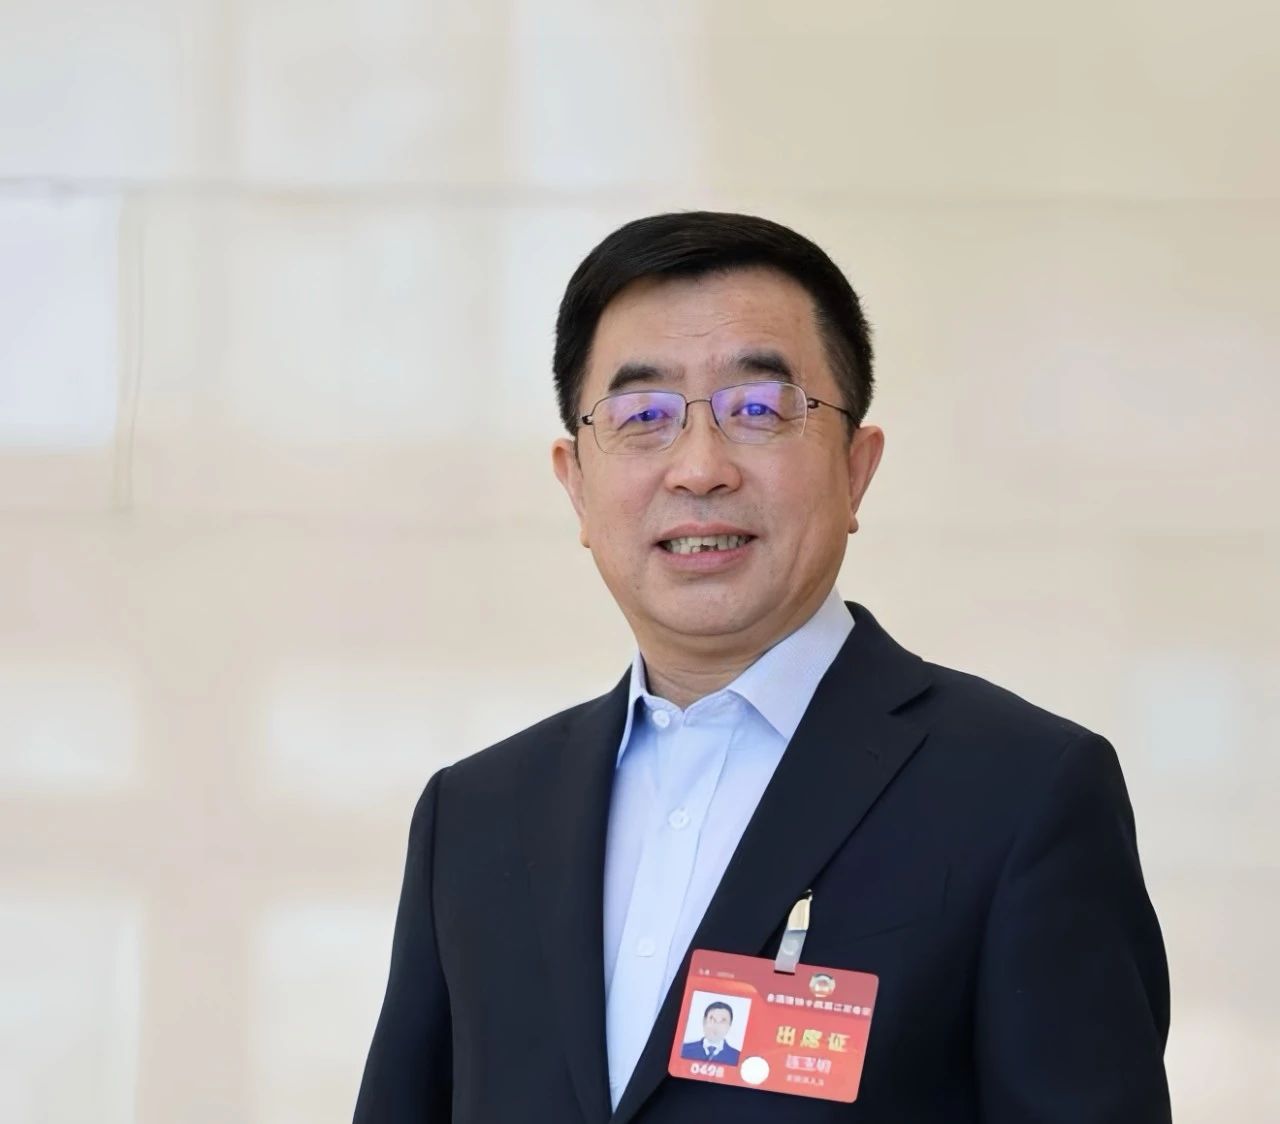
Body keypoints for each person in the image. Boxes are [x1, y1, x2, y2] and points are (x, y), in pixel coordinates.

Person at [353, 212, 1171, 1123]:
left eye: (757, 410)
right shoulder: (474, 819)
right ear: (575, 483)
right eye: (643, 417)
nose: (699, 469)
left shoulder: (1022, 793)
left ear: (857, 468)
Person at [678, 1001, 741, 1066]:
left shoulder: (737, 1058)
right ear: (704, 1021)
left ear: (729, 1026)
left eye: (723, 1021)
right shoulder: (683, 1050)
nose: (716, 1025)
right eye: (712, 1019)